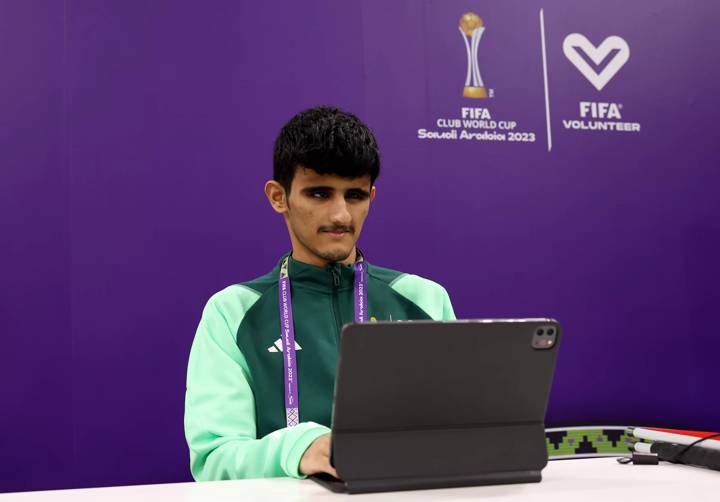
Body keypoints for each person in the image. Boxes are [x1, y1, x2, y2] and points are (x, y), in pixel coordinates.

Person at [184, 106, 455, 481]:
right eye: (319, 193)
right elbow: (214, 462)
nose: (341, 215)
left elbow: (458, 436)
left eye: (355, 195)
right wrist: (301, 450)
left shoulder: (423, 298)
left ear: (371, 197)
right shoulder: (232, 311)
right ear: (279, 197)